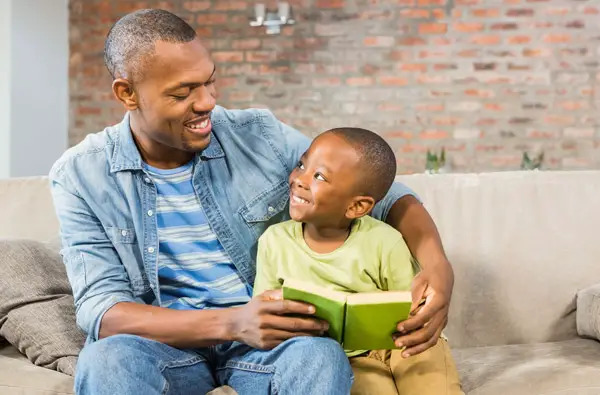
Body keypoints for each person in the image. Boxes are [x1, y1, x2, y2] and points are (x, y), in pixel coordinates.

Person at [49, 8, 455, 395]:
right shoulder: (80, 175)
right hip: (167, 345)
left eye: (209, 81)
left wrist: (438, 267)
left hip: (266, 344)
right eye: (183, 92)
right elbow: (102, 310)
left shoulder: (258, 134)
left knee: (319, 355)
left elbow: (387, 197)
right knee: (106, 361)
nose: (207, 101)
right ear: (127, 94)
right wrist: (231, 323)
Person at [253, 128, 463, 395]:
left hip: (402, 346)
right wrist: (275, 302)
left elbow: (410, 305)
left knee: (430, 381)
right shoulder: (274, 241)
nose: (299, 180)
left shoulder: (385, 240)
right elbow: (262, 310)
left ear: (357, 207)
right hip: (347, 358)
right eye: (301, 165)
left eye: (318, 176)